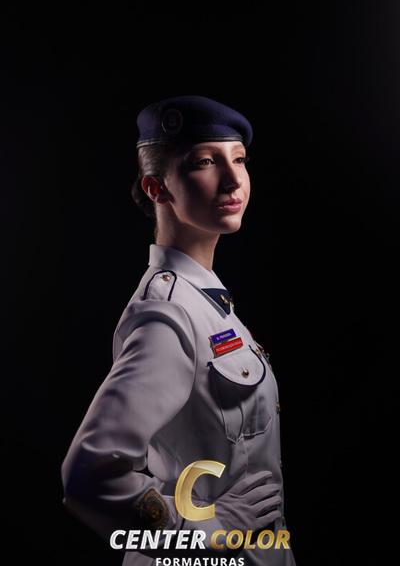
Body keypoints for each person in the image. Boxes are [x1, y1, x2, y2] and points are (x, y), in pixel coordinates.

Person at [61, 95, 297, 566]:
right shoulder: (167, 315)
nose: (232, 180)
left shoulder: (206, 300)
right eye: (205, 162)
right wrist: (206, 529)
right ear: (156, 188)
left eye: (239, 160)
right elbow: (89, 475)